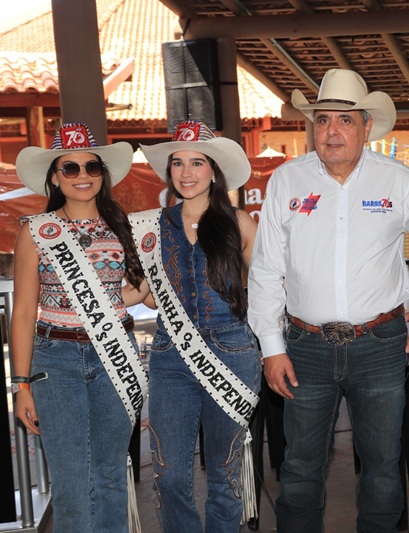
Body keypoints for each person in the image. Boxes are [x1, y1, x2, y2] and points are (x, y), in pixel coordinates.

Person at [248, 68, 409, 532]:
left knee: (382, 466)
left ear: (366, 127)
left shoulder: (398, 180)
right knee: (299, 469)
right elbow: (266, 268)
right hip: (304, 348)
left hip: (381, 344)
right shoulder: (287, 180)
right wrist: (272, 348)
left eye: (345, 120)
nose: (331, 131)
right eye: (322, 120)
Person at [126, 120, 261, 532]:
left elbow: (269, 286)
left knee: (225, 472)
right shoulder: (150, 226)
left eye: (197, 163)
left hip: (232, 352)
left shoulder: (239, 222)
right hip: (170, 357)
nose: (186, 173)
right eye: (178, 163)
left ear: (214, 171)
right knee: (169, 475)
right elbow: (140, 291)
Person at [11, 122, 147, 532]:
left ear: (102, 174)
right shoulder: (36, 231)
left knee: (110, 475)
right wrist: (21, 384)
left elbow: (130, 293)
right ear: (55, 177)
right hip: (56, 361)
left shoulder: (125, 227)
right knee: (70, 483)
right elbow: (23, 312)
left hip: (115, 355)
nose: (82, 175)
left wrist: (146, 284)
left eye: (92, 166)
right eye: (70, 168)